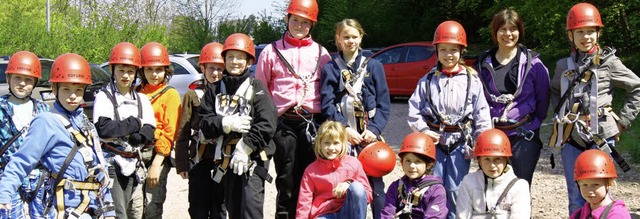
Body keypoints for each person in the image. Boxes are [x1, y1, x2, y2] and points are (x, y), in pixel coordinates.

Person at [549, 2, 640, 215]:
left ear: (598, 33)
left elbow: (637, 87)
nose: (586, 36)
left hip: (600, 135)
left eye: (591, 31)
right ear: (570, 35)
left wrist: (621, 122)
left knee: (600, 191)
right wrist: (560, 115)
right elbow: (554, 91)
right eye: (580, 31)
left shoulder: (609, 63)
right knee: (575, 192)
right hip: (571, 137)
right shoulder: (563, 66)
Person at [0, 53, 116, 219]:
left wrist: (109, 209)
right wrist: (4, 193)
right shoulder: (46, 121)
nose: (73, 95)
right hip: (65, 208)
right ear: (54, 89)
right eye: (66, 89)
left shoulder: (86, 123)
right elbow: (22, 160)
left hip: (91, 207)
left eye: (78, 90)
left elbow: (99, 167)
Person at [254, 0, 332, 218]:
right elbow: (260, 91)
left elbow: (328, 88)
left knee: (313, 180)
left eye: (305, 22)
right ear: (287, 19)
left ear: (312, 25)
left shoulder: (321, 53)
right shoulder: (271, 52)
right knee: (287, 181)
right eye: (295, 20)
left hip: (312, 124)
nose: (299, 25)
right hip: (284, 123)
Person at [407, 20, 491, 219]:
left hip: (461, 144)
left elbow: (482, 113)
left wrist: (481, 142)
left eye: (453, 49)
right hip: (434, 144)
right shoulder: (427, 81)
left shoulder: (472, 80)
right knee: (432, 187)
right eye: (443, 49)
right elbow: (414, 110)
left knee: (455, 189)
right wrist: (424, 131)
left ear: (462, 51)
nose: (448, 54)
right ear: (436, 51)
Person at [199, 33, 277, 219]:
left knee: (250, 210)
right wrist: (224, 123)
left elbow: (267, 122)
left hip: (253, 159)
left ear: (249, 62)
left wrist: (246, 146)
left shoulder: (257, 88)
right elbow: (204, 121)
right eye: (231, 57)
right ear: (224, 59)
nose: (235, 62)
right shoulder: (214, 90)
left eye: (240, 58)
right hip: (226, 159)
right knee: (233, 210)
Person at [320, 18, 390, 219]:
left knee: (376, 188)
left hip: (369, 138)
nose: (351, 41)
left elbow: (384, 103)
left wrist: (374, 130)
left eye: (354, 36)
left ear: (361, 37)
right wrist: (344, 129)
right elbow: (327, 104)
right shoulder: (330, 69)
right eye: (346, 37)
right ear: (338, 39)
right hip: (343, 139)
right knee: (344, 186)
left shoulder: (374, 66)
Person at [476, 9, 550, 186]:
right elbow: (477, 99)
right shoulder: (482, 64)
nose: (508, 34)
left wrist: (533, 123)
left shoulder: (534, 65)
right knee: (491, 187)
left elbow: (543, 99)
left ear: (520, 32)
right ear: (495, 32)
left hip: (523, 135)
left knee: (521, 188)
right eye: (502, 29)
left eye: (513, 29)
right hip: (491, 136)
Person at [93, 42, 156, 219]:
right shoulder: (103, 97)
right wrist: (135, 123)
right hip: (111, 162)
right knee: (118, 213)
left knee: (132, 212)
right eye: (121, 70)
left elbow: (150, 127)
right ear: (113, 70)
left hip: (133, 163)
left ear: (136, 72)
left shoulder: (142, 99)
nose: (125, 76)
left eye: (130, 71)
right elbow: (104, 129)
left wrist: (141, 136)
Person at [175, 42, 226, 219]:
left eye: (220, 69)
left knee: (219, 209)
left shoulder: (229, 96)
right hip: (199, 158)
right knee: (198, 208)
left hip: (222, 160)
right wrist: (182, 163)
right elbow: (183, 130)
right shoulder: (193, 95)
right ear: (202, 68)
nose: (215, 73)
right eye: (211, 68)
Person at [0, 51, 53, 219]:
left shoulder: (43, 110)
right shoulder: (1, 109)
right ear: (8, 79)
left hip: (40, 179)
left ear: (35, 82)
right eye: (17, 78)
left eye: (28, 80)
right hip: (7, 178)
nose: (22, 84)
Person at [136, 41, 181, 218]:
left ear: (166, 70)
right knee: (135, 207)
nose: (154, 74)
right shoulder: (136, 91)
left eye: (159, 69)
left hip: (157, 155)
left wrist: (156, 164)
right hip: (136, 155)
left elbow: (170, 132)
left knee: (152, 207)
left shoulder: (170, 94)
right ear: (142, 71)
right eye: (149, 69)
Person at [296, 121, 372, 219]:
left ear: (343, 144)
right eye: (327, 143)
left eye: (336, 143)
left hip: (349, 212)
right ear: (319, 144)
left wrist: (349, 184)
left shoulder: (353, 163)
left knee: (357, 187)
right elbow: (304, 202)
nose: (331, 148)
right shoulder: (311, 171)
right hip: (324, 214)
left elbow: (367, 194)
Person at [456, 129, 530, 218]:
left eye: (497, 159)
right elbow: (462, 215)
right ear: (479, 160)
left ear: (506, 159)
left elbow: (520, 216)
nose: (492, 165)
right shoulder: (469, 181)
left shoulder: (519, 186)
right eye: (486, 159)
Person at [381, 132, 447, 219]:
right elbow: (387, 213)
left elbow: (434, 217)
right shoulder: (396, 187)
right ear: (401, 163)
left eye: (417, 161)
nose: (412, 166)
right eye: (408, 161)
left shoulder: (436, 190)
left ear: (428, 165)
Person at [570, 149, 631, 219]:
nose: (589, 191)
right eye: (584, 185)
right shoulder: (578, 215)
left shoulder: (617, 215)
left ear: (609, 183)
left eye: (595, 185)